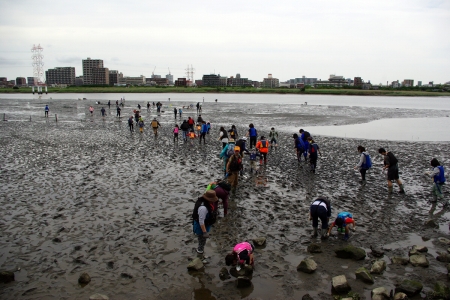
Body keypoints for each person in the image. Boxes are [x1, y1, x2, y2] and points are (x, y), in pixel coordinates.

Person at [192, 190, 218, 254]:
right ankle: (200, 252)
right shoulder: (203, 208)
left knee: (202, 240)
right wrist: (204, 232)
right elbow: (201, 221)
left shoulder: (208, 203)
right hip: (200, 227)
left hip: (206, 224)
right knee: (202, 240)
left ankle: (200, 250)